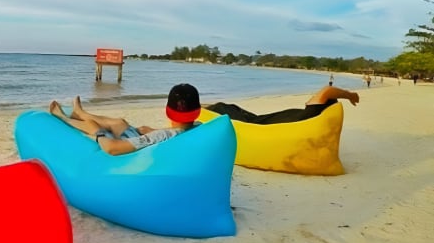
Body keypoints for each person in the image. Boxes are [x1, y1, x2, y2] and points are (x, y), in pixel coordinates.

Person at [48, 83, 201, 156]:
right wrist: (152, 130)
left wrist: (99, 134)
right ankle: (80, 113)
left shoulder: (161, 136)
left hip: (132, 152)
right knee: (120, 123)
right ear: (198, 111)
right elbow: (177, 132)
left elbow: (112, 148)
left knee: (96, 126)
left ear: (168, 111)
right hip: (148, 140)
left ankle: (63, 118)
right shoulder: (199, 127)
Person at [206, 86, 360, 125]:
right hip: (256, 119)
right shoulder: (308, 116)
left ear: (320, 104)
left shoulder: (312, 112)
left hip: (253, 124)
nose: (310, 99)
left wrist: (350, 95)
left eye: (313, 98)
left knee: (220, 106)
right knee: (230, 106)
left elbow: (327, 90)